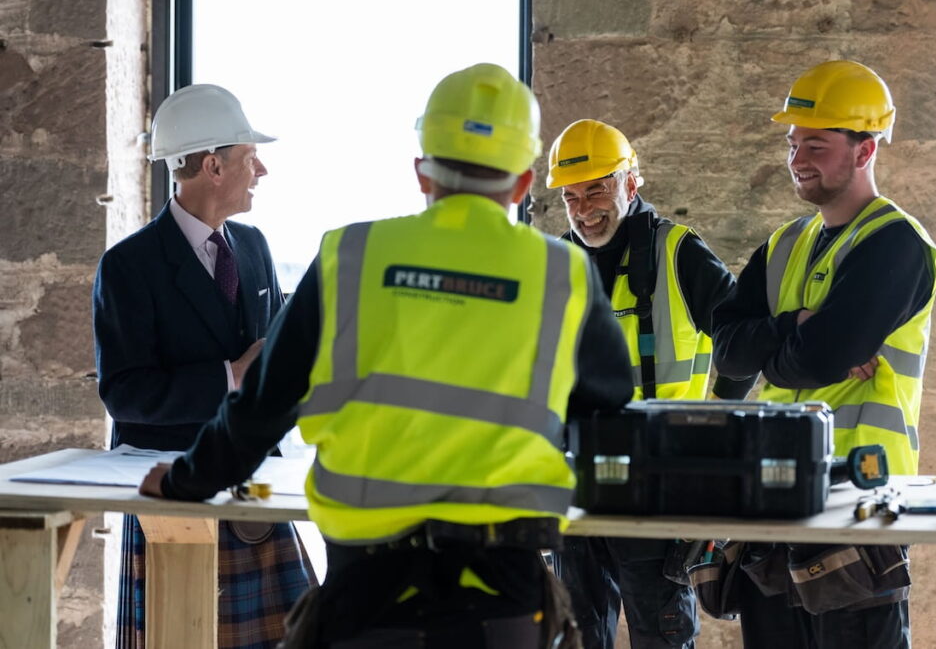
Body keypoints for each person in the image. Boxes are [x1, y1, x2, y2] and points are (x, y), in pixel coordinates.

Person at [138, 63, 635, 648]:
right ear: (523, 184)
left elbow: (263, 405)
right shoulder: (564, 275)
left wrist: (187, 481)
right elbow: (609, 404)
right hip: (505, 600)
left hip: (366, 596)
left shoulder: (349, 258)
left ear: (422, 174)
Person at [711, 60, 936, 648]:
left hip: (859, 502)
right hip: (777, 493)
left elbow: (816, 360)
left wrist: (789, 345)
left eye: (816, 142)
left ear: (865, 152)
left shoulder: (896, 244)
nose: (798, 157)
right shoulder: (786, 244)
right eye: (793, 143)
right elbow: (729, 352)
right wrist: (794, 328)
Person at [92, 84, 316, 648]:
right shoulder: (128, 266)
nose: (260, 170)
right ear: (214, 166)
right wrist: (232, 377)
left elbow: (283, 344)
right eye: (249, 157)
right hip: (172, 490)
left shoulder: (255, 246)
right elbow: (125, 395)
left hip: (254, 482)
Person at [546, 118, 756, 649]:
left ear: (631, 184)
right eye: (571, 196)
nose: (584, 208)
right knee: (574, 637)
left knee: (660, 638)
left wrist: (710, 436)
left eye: (597, 188)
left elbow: (744, 349)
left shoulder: (678, 253)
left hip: (658, 488)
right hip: (575, 488)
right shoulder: (554, 266)